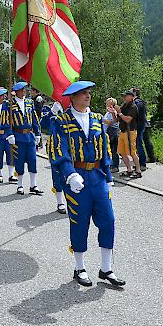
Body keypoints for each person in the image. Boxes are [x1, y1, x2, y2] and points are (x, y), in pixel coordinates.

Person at [49, 81, 124, 287]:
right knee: (80, 222)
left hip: (97, 176)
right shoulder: (62, 121)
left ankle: (106, 268)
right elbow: (58, 149)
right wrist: (69, 175)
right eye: (83, 93)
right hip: (77, 176)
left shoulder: (97, 119)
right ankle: (79, 267)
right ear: (72, 97)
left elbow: (105, 148)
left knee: (108, 220)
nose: (87, 96)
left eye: (89, 92)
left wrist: (108, 176)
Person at [9, 82, 43, 195]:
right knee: (19, 161)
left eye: (25, 89)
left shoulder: (29, 102)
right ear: (17, 91)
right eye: (22, 90)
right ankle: (20, 185)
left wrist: (38, 133)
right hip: (18, 136)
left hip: (29, 136)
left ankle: (33, 185)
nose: (24, 91)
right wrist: (10, 134)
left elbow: (34, 118)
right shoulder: (10, 104)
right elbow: (6, 121)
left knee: (32, 160)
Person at [0, 88, 16, 184]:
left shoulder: (8, 106)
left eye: (4, 95)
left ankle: (11, 175)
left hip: (7, 134)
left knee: (10, 155)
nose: (3, 97)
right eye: (1, 96)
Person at [115, 90, 141, 179]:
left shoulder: (133, 107)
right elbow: (117, 120)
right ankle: (129, 169)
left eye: (126, 96)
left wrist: (119, 113)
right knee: (122, 152)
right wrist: (113, 113)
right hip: (122, 131)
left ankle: (138, 170)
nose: (124, 98)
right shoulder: (125, 106)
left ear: (131, 96)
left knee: (132, 152)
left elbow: (127, 119)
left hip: (130, 131)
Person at [133, 88, 153, 170]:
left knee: (139, 144)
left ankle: (142, 163)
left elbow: (136, 115)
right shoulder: (140, 102)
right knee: (144, 143)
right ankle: (145, 160)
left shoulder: (137, 103)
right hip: (143, 124)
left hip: (139, 126)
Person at [102, 97, 120, 172]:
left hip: (113, 131)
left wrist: (103, 120)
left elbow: (113, 122)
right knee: (110, 149)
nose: (108, 105)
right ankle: (111, 164)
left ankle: (115, 166)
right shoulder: (108, 112)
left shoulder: (114, 112)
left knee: (113, 149)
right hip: (108, 131)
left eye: (109, 103)